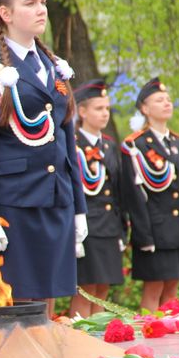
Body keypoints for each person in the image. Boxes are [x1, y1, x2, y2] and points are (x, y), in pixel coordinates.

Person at [0, 0, 87, 316]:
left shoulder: (55, 66)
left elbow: (67, 141)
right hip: (14, 203)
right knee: (15, 302)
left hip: (55, 199)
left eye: (43, 2)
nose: (41, 10)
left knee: (48, 297)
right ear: (5, 13)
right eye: (30, 3)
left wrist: (78, 207)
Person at [120, 78, 179, 311]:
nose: (167, 103)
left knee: (172, 290)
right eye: (159, 100)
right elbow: (133, 196)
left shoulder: (178, 143)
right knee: (153, 288)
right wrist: (143, 236)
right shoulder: (136, 145)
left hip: (177, 227)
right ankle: (151, 341)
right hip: (154, 229)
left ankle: (171, 341)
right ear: (144, 108)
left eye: (168, 100)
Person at [69, 80, 127, 317]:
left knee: (103, 288)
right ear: (82, 112)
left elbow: (118, 190)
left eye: (107, 109)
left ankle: (97, 339)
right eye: (98, 108)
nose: (105, 114)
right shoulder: (71, 143)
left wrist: (122, 229)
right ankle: (79, 342)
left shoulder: (110, 146)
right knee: (85, 289)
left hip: (109, 225)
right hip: (86, 226)